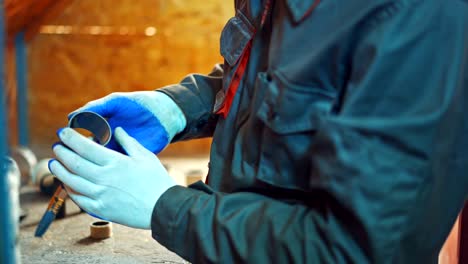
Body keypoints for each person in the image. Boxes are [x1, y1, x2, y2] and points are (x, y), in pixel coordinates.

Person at [48, 0, 468, 263]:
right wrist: (179, 106)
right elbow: (280, 82)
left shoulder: (415, 15)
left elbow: (358, 251)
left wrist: (166, 206)